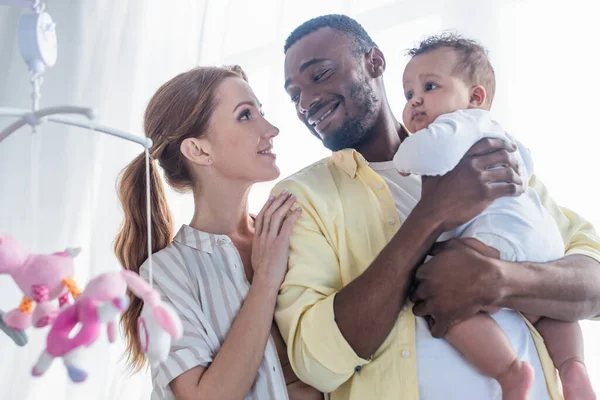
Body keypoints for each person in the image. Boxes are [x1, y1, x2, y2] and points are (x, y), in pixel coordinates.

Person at [274, 14, 600, 400]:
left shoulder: (483, 151)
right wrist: (432, 214)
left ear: (374, 62)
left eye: (320, 75)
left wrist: (502, 280)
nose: (306, 102)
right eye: (294, 95)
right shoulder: (301, 197)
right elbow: (317, 363)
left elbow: (591, 280)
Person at [392, 33, 593, 400]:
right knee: (549, 312)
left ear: (475, 98)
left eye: (430, 86)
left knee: (441, 292)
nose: (415, 100)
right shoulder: (501, 135)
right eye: (407, 95)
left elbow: (427, 153)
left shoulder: (459, 124)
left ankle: (509, 373)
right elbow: (525, 165)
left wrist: (404, 158)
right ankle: (572, 367)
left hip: (500, 233)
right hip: (542, 235)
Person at [114, 66, 323, 400]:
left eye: (261, 112)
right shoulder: (164, 273)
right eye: (245, 115)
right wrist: (266, 278)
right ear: (199, 150)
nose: (271, 129)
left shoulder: (294, 229)